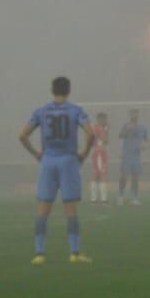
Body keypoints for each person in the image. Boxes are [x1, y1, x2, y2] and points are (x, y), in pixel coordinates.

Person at [17, 75, 94, 264]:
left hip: (48, 161)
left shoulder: (41, 111)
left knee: (43, 210)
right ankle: (74, 253)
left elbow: (22, 135)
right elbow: (90, 133)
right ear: (69, 91)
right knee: (71, 211)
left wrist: (36, 154)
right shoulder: (76, 110)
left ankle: (39, 254)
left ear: (52, 91)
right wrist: (84, 152)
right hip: (68, 161)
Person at [117, 109, 148, 206]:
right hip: (126, 156)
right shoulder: (126, 125)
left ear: (138, 115)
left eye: (136, 113)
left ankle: (134, 198)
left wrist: (145, 146)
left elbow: (146, 141)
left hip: (136, 157)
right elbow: (120, 135)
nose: (134, 115)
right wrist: (127, 129)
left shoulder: (143, 128)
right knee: (124, 177)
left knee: (135, 178)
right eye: (132, 113)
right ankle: (121, 196)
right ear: (129, 115)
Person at [89, 111, 111, 205]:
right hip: (99, 153)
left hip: (97, 152)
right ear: (99, 119)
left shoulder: (94, 127)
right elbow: (105, 140)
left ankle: (94, 199)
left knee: (96, 174)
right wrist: (106, 130)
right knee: (101, 175)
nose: (105, 120)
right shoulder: (99, 128)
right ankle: (103, 200)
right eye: (104, 119)